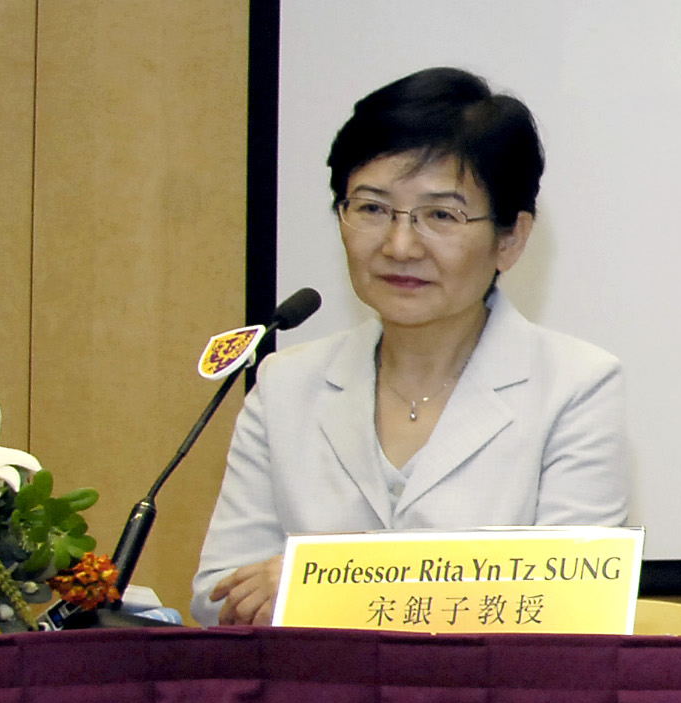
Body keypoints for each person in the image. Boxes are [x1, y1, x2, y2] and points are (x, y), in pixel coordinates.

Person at [193, 70, 627, 623]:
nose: (399, 246)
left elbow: (574, 607)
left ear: (510, 237)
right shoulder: (285, 384)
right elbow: (218, 599)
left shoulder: (576, 385)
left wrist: (320, 582)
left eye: (440, 215)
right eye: (372, 208)